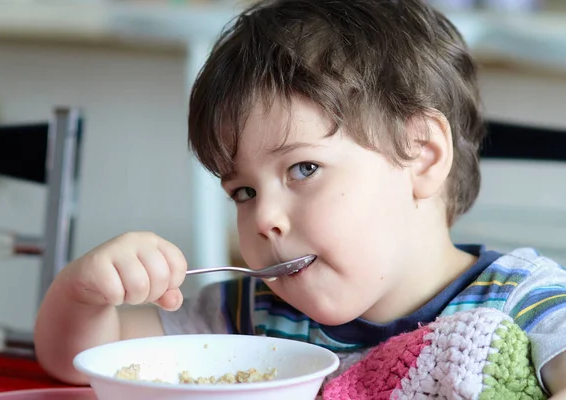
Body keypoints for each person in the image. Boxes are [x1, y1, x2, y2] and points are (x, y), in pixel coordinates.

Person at [34, 0, 566, 397]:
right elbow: (88, 359)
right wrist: (85, 293)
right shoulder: (247, 315)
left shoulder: (526, 304)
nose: (263, 217)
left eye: (303, 169)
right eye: (243, 191)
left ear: (421, 155)